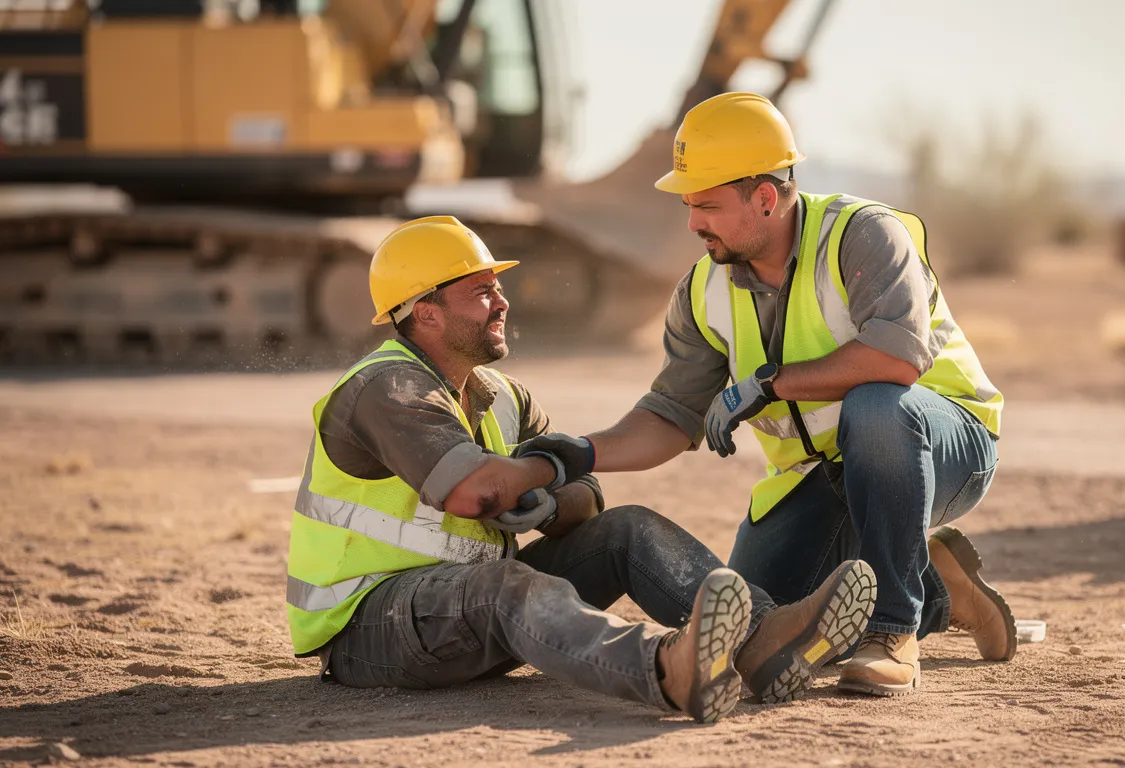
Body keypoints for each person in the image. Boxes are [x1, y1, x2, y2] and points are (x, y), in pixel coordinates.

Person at [515, 92, 1016, 697]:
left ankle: (896, 630)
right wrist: (579, 454)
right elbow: (670, 418)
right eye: (688, 205)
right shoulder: (702, 291)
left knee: (877, 406)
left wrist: (770, 384)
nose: (693, 222)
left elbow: (896, 359)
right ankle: (939, 584)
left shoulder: (864, 236)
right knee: (768, 628)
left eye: (707, 205)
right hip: (821, 476)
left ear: (765, 196)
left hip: (940, 444)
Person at [284, 215, 877, 723]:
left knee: (625, 529)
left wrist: (546, 497)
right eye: (480, 290)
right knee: (506, 586)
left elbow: (586, 499)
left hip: (460, 619)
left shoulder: (502, 395)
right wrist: (535, 480)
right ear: (425, 312)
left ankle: (764, 640)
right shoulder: (388, 387)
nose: (503, 301)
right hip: (372, 630)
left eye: (498, 286)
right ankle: (669, 670)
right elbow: (474, 493)